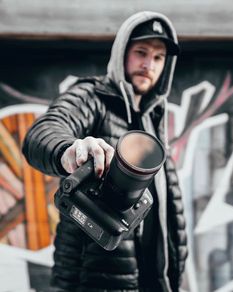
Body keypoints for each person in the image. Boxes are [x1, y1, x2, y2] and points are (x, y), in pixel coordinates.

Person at [22, 11, 188, 292]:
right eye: (141, 52)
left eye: (158, 57)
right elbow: (42, 133)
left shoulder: (153, 118)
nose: (149, 64)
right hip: (92, 283)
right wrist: (69, 150)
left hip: (155, 282)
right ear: (122, 52)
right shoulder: (92, 96)